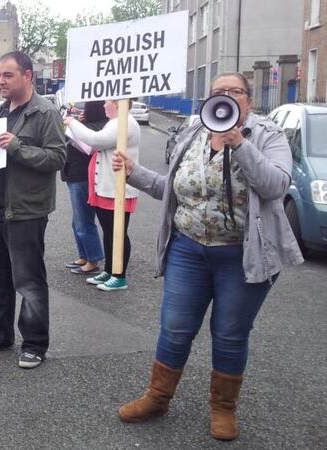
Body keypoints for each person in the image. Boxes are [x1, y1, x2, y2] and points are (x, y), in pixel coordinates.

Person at [112, 73, 303, 440]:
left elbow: (276, 185)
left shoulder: (268, 135)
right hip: (188, 248)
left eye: (235, 92)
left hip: (242, 254)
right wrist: (136, 174)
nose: (227, 97)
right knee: (175, 326)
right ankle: (158, 396)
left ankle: (223, 408)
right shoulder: (193, 131)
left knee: (229, 333)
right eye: (218, 92)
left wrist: (239, 143)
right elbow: (177, 187)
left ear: (248, 100)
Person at [0, 51, 66, 369]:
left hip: (25, 211)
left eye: (8, 75)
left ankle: (35, 343)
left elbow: (58, 158)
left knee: (29, 280)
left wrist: (18, 148)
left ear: (28, 76)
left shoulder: (45, 113)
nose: (1, 81)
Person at [63, 99, 141, 291]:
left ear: (117, 103)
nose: (104, 106)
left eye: (107, 102)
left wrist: (73, 123)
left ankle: (119, 275)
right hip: (107, 187)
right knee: (109, 231)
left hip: (116, 188)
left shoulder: (125, 122)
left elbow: (96, 140)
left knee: (118, 232)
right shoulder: (115, 121)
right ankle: (109, 270)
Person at [62, 101, 106, 276]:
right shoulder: (91, 125)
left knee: (83, 220)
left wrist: (76, 125)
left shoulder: (94, 128)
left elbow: (87, 146)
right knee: (77, 221)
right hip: (75, 175)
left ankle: (93, 259)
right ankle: (84, 255)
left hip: (82, 176)